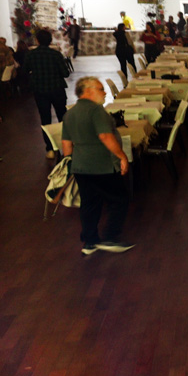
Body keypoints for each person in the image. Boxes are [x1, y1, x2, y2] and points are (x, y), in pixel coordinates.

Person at [59, 77, 133, 255]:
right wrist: (122, 156)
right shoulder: (96, 111)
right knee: (119, 199)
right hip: (102, 165)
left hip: (80, 167)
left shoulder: (70, 113)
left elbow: (66, 145)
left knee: (89, 204)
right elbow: (105, 136)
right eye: (100, 89)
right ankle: (110, 238)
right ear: (88, 91)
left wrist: (72, 164)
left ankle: (90, 242)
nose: (105, 92)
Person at [25, 29, 70, 158]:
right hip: (57, 89)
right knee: (63, 117)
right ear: (50, 41)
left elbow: (25, 70)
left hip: (40, 90)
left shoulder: (31, 55)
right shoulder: (56, 54)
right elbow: (65, 73)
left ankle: (50, 149)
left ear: (37, 41)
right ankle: (67, 146)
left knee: (45, 119)